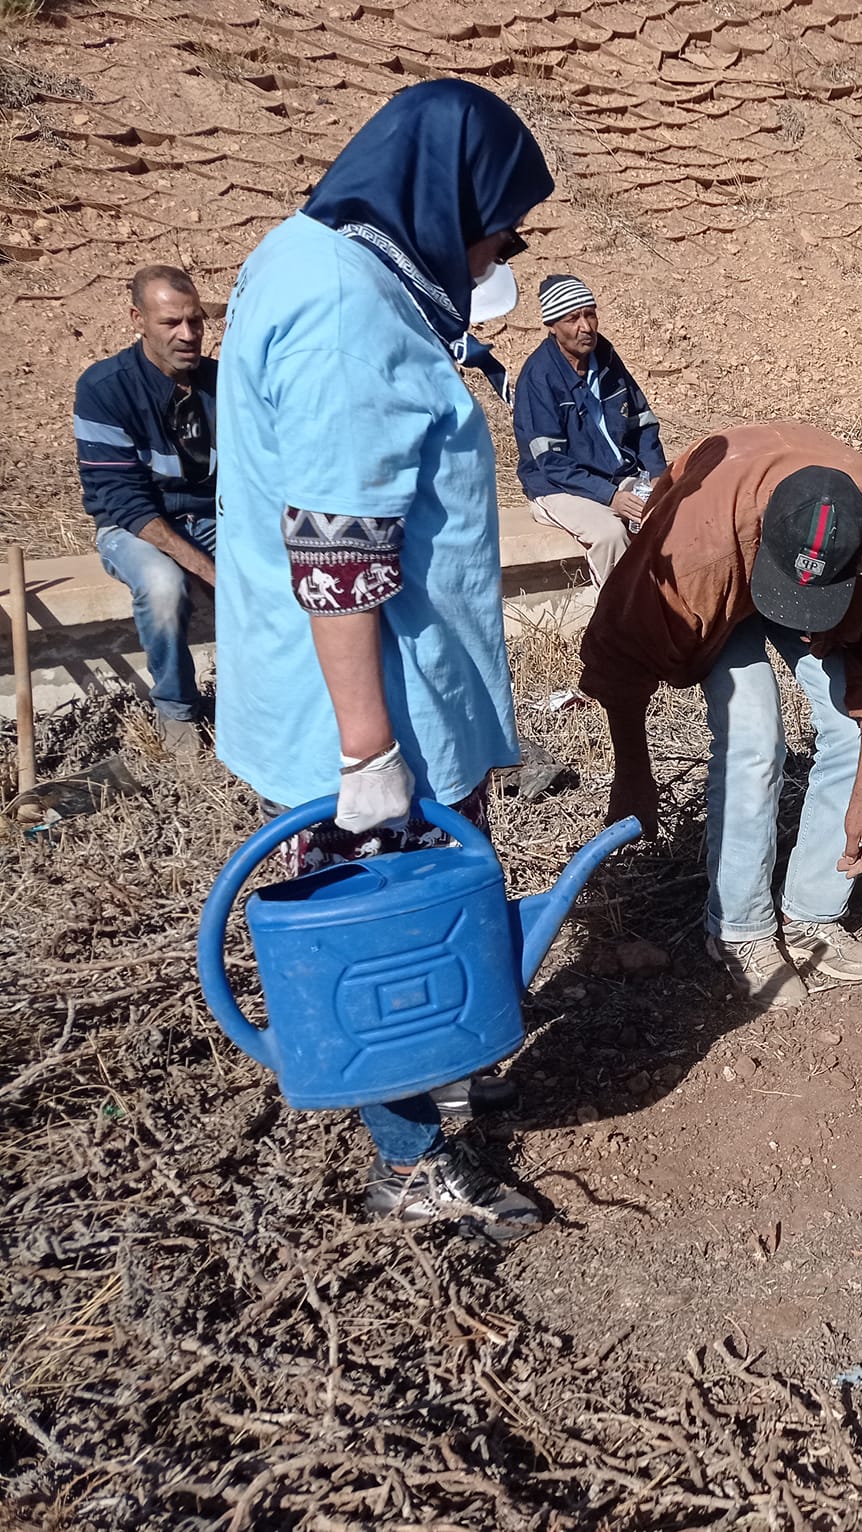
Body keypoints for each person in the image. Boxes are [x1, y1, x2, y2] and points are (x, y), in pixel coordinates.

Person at [213, 79, 554, 1240]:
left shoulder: (318, 257)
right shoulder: (346, 311)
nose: (501, 250)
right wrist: (368, 754)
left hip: (390, 684)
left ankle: (446, 1068)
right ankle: (410, 1160)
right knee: (386, 921)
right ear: (445, 198)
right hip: (364, 707)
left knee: (428, 903)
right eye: (498, 226)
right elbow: (337, 550)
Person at [579, 422, 862, 1010]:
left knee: (850, 727)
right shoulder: (696, 550)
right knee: (753, 733)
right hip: (727, 558)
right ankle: (739, 930)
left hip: (786, 555)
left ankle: (811, 913)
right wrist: (632, 772)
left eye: (823, 609)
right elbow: (623, 655)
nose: (810, 625)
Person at [73, 265, 219, 754]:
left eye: (195, 321)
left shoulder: (220, 383)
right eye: (171, 323)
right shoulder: (105, 388)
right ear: (138, 319)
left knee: (276, 573)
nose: (188, 334)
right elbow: (125, 501)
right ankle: (177, 710)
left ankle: (260, 698)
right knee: (162, 586)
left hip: (211, 517)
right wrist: (207, 567)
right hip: (134, 527)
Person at [513, 273, 669, 589]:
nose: (586, 326)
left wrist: (655, 473)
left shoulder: (607, 359)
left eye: (590, 314)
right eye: (573, 318)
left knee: (672, 509)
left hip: (615, 475)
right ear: (552, 326)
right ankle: (619, 629)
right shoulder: (538, 378)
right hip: (556, 487)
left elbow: (642, 421)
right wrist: (610, 496)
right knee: (610, 535)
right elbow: (552, 464)